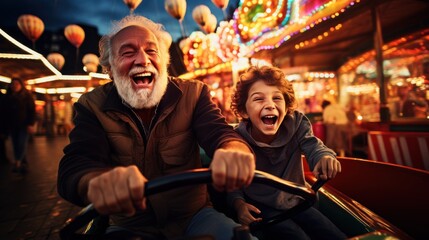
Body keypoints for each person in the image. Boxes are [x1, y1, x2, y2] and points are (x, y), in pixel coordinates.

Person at [57, 15, 256, 240]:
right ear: (110, 70)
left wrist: (234, 150)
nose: (143, 59)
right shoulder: (91, 106)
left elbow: (218, 132)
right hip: (130, 226)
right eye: (128, 52)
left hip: (195, 216)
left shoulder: (194, 93)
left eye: (152, 51)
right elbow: (77, 162)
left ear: (164, 62)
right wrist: (94, 181)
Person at [228, 66, 346, 240]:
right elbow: (232, 179)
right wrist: (239, 204)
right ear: (244, 111)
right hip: (261, 206)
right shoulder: (237, 139)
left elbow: (313, 146)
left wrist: (324, 157)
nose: (269, 105)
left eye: (277, 98)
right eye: (258, 99)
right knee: (295, 236)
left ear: (287, 105)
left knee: (330, 232)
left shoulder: (297, 123)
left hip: (296, 199)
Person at [3, 78, 36, 173]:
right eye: (13, 84)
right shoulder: (7, 98)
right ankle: (22, 162)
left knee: (22, 143)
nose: (15, 86)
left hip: (24, 125)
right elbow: (4, 113)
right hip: (12, 125)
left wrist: (31, 124)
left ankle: (17, 161)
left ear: (21, 85)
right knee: (15, 144)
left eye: (17, 84)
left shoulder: (27, 97)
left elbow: (31, 111)